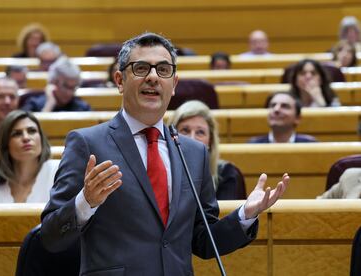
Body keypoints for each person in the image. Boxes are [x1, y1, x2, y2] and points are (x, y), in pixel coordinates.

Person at [40, 32, 289, 275]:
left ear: (174, 84)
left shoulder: (194, 152)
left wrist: (246, 214)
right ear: (119, 80)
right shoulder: (87, 143)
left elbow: (202, 240)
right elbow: (50, 237)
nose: (152, 77)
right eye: (140, 68)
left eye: (163, 69)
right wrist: (86, 202)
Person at [0, 110, 59, 203]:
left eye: (32, 131)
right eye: (17, 133)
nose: (26, 138)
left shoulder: (58, 171)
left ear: (41, 138)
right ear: (5, 143)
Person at [168, 100, 245, 199]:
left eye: (200, 132)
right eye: (185, 130)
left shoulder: (227, 174)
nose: (192, 138)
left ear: (211, 141)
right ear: (171, 136)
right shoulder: (161, 171)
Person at [21, 56, 91, 112]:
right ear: (53, 82)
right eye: (66, 86)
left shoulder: (83, 108)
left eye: (73, 88)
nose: (69, 93)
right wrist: (49, 105)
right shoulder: (34, 105)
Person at [248, 92, 317, 143]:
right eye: (272, 105)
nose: (276, 109)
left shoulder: (310, 144)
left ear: (297, 118)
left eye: (284, 106)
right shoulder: (254, 144)